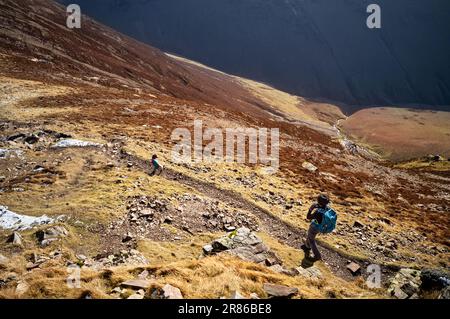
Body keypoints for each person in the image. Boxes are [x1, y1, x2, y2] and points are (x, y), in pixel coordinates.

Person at [301, 194, 331, 261]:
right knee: (310, 236)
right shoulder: (328, 208)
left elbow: (308, 217)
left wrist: (311, 208)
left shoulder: (317, 212)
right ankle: (307, 245)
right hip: (321, 226)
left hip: (315, 226)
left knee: (311, 240)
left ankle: (317, 256)